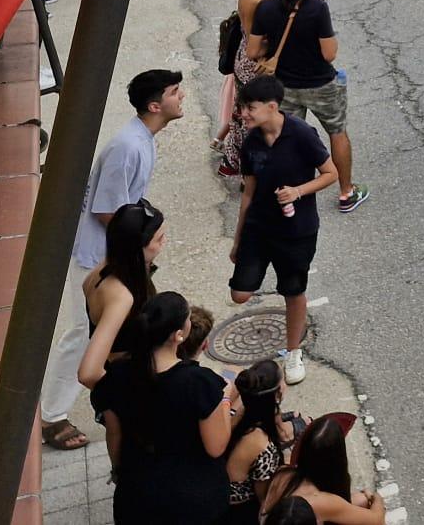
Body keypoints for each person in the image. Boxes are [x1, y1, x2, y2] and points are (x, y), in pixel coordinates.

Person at [38, 69, 184, 451]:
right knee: (82, 334)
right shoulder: (128, 147)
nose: (181, 96)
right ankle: (51, 416)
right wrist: (141, 244)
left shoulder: (142, 140)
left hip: (116, 253)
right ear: (155, 105)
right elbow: (107, 211)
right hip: (97, 255)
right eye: (174, 92)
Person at [88, 291, 232, 523]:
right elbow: (216, 447)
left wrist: (119, 471)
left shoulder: (118, 374)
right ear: (178, 335)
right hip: (192, 501)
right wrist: (225, 400)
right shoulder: (199, 383)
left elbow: (114, 434)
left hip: (136, 497)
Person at [231, 76, 338, 386]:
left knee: (293, 291)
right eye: (242, 107)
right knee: (239, 294)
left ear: (272, 107)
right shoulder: (251, 142)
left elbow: (330, 173)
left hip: (296, 231)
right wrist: (238, 238)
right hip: (258, 227)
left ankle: (293, 352)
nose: (243, 114)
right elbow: (248, 192)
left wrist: (298, 191)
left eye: (249, 108)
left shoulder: (302, 134)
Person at [246, 0, 367, 213]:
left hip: (284, 87)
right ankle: (346, 192)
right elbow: (329, 54)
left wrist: (274, 46)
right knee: (337, 132)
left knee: (286, 138)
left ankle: (288, 194)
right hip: (321, 85)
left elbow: (253, 51)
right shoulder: (317, 8)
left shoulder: (266, 8)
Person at [75, 199, 165, 388]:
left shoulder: (104, 268)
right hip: (132, 379)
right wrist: (121, 397)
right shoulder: (121, 297)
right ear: (137, 248)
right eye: (159, 239)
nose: (164, 243)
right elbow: (88, 373)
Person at [216, 0, 276, 177]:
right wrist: (272, 57)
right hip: (253, 63)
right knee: (252, 117)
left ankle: (234, 161)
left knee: (243, 113)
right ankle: (247, 167)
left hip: (249, 58)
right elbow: (253, 41)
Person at [263, 413, 386, 523]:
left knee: (358, 501)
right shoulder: (323, 502)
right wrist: (375, 497)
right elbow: (377, 519)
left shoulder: (283, 472)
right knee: (363, 501)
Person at [222, 359, 297, 525]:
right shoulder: (263, 446)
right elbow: (265, 500)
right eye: (283, 380)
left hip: (220, 491)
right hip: (239, 512)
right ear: (277, 394)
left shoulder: (243, 411)